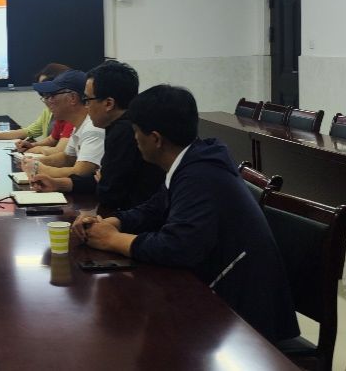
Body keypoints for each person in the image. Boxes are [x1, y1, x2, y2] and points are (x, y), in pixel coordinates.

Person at [73, 85, 299, 342]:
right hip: (220, 295)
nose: (134, 139)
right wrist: (112, 222)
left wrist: (112, 239)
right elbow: (155, 207)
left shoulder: (200, 174)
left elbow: (177, 246)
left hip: (244, 316)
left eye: (136, 132)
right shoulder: (193, 159)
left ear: (156, 139)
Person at [67, 60, 163, 210]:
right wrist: (59, 183)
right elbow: (106, 181)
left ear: (109, 103)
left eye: (87, 100)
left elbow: (109, 193)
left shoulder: (124, 131)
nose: (86, 107)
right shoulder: (123, 123)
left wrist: (103, 182)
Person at [22, 69, 104, 190]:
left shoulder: (93, 128)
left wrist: (41, 169)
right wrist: (36, 161)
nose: (48, 101)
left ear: (72, 98)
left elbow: (81, 172)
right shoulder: (79, 125)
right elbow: (67, 158)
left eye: (52, 96)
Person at [0, 64, 72, 156]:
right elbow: (47, 137)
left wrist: (38, 150)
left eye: (49, 91)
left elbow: (61, 152)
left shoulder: (71, 116)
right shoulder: (54, 112)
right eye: (43, 93)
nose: (47, 98)